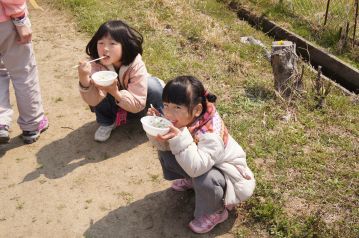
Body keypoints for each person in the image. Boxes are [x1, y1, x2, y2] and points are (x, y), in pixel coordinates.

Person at [147, 76, 255, 234]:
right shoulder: (188, 118)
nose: (168, 113)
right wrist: (156, 127)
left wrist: (177, 137)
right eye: (165, 105)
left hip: (229, 176)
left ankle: (216, 211)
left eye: (177, 107)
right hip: (201, 164)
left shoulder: (211, 134)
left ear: (197, 109)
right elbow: (169, 147)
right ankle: (192, 182)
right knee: (168, 151)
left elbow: (197, 168)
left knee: (205, 179)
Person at [77, 20, 163, 142]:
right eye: (101, 43)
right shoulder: (95, 64)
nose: (105, 49)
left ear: (125, 45)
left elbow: (138, 104)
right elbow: (93, 100)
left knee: (153, 85)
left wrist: (115, 92)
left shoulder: (136, 64)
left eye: (112, 43)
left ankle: (159, 121)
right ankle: (107, 122)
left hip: (138, 107)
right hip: (116, 105)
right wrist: (84, 78)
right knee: (99, 85)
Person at [0, 0, 48, 144]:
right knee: (23, 72)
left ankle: (1, 122)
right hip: (5, 23)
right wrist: (20, 19)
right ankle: (32, 124)